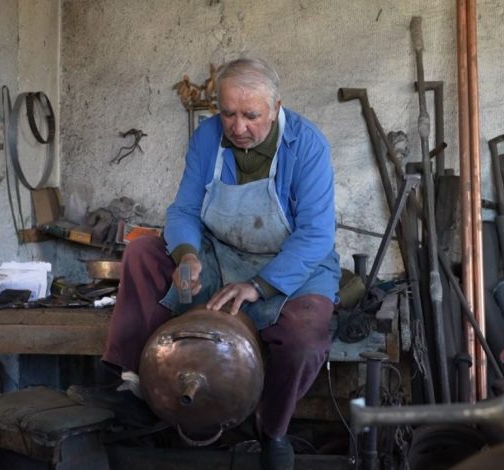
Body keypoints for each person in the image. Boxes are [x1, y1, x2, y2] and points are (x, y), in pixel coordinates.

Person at [102, 57, 340, 470]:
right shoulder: (208, 137)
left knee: (304, 339)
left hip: (293, 264)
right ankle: (133, 384)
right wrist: (187, 255)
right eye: (228, 113)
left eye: (251, 115)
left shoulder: (308, 145)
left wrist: (260, 286)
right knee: (142, 254)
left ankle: (273, 430)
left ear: (276, 107)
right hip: (219, 253)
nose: (238, 126)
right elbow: (183, 210)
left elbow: (317, 234)